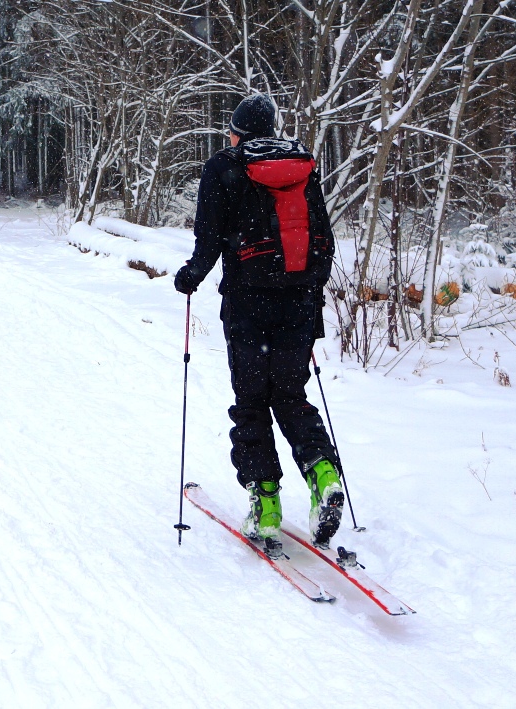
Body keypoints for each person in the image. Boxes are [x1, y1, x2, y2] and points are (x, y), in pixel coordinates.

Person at [174, 94, 344, 556]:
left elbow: (208, 239)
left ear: (239, 132)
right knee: (290, 395)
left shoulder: (223, 167)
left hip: (248, 305)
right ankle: (324, 476)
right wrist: (308, 292)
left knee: (251, 402)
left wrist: (190, 277)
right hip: (299, 304)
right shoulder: (301, 166)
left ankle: (266, 507)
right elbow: (324, 241)